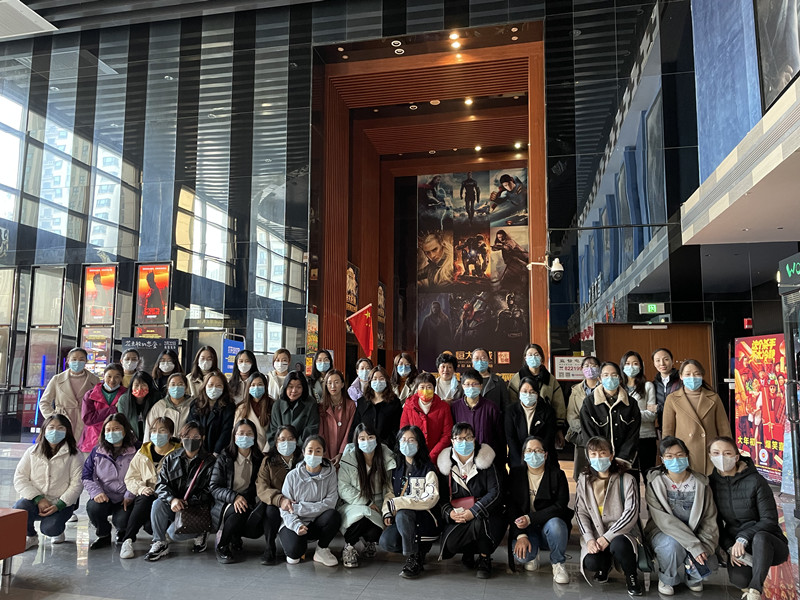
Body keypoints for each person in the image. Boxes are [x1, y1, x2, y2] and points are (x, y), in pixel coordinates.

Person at [709, 437, 789, 600]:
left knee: (760, 538)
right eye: (716, 453)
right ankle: (753, 575)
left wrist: (743, 538)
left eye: (727, 453)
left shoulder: (756, 481)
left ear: (736, 457)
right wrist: (730, 547)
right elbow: (715, 525)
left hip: (768, 541)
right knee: (739, 580)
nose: (721, 457)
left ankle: (755, 591)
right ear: (710, 456)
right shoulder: (711, 484)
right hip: (739, 546)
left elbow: (769, 519)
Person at [644, 436, 719, 596]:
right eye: (669, 456)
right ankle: (667, 577)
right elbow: (664, 521)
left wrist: (705, 545)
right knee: (671, 546)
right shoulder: (655, 483)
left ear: (687, 456)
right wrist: (693, 546)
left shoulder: (701, 483)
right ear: (662, 459)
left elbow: (709, 519)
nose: (675, 460)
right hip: (663, 533)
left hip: (696, 534)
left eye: (680, 455)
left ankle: (693, 576)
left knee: (709, 561)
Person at [575, 436, 643, 596]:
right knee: (592, 561)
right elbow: (580, 512)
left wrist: (607, 537)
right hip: (596, 533)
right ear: (588, 457)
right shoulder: (583, 480)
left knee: (619, 545)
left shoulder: (627, 479)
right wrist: (589, 538)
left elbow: (631, 513)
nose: (598, 458)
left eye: (602, 453)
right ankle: (603, 567)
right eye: (593, 454)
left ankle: (631, 576)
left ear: (611, 455)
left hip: (622, 533)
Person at [437, 422, 504, 579]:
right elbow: (441, 497)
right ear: (452, 441)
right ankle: (468, 551)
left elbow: (495, 492)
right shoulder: (446, 466)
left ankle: (484, 558)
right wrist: (450, 513)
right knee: (451, 543)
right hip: (458, 515)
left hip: (486, 515)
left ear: (474, 440)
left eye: (468, 438)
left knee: (480, 523)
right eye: (459, 438)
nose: (464, 442)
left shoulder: (486, 462)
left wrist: (473, 512)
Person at [145, 421, 217, 561]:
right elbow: (161, 485)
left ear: (202, 439)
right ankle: (159, 542)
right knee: (157, 504)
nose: (191, 440)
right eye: (187, 437)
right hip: (175, 504)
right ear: (181, 438)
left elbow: (211, 490)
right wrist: (171, 499)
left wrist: (188, 502)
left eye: (196, 437)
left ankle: (201, 532)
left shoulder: (210, 462)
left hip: (197, 507)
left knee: (174, 534)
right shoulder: (171, 458)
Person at [508, 436, 572, 584]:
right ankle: (533, 551)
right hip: (525, 528)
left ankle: (558, 563)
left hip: (547, 525)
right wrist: (520, 535)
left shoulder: (557, 475)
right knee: (523, 557)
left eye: (538, 451)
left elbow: (560, 506)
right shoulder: (516, 474)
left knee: (556, 525)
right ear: (524, 454)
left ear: (546, 454)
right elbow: (511, 506)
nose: (533, 454)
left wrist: (531, 518)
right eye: (529, 451)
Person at [379, 425, 440, 578]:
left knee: (403, 514)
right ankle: (418, 550)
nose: (407, 443)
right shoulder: (396, 467)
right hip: (403, 520)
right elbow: (390, 493)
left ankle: (414, 557)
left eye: (411, 440)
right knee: (387, 541)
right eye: (403, 440)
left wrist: (399, 503)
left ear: (419, 444)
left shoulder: (428, 468)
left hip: (424, 517)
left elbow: (431, 497)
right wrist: (387, 511)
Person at [13, 414, 83, 549]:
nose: (55, 431)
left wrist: (59, 505)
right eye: (51, 427)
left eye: (60, 428)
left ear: (67, 431)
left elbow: (77, 483)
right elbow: (20, 478)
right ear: (44, 430)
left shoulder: (74, 454)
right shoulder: (32, 452)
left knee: (51, 529)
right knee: (19, 509)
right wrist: (38, 499)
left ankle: (58, 528)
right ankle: (31, 536)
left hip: (60, 502)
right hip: (35, 501)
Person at [120, 416, 181, 559]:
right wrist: (141, 488)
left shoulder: (179, 453)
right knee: (144, 498)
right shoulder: (143, 452)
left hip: (169, 499)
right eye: (154, 431)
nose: (157, 434)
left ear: (170, 434)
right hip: (147, 497)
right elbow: (130, 477)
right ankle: (128, 540)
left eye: (162, 431)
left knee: (151, 522)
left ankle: (162, 535)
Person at [338, 423, 396, 568]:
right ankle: (349, 546)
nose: (367, 442)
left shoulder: (386, 457)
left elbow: (390, 489)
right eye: (362, 438)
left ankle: (369, 541)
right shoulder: (349, 458)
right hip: (354, 503)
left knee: (378, 531)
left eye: (370, 437)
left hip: (380, 504)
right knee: (361, 516)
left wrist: (387, 511)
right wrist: (367, 502)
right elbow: (343, 488)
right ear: (356, 441)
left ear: (376, 439)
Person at [278, 435, 341, 566]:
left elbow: (330, 503)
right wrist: (296, 525)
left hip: (316, 522)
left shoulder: (330, 474)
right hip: (295, 522)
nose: (313, 455)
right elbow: (285, 509)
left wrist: (298, 508)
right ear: (303, 452)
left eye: (318, 451)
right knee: (294, 556)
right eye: (310, 450)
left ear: (324, 453)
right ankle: (298, 545)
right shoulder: (292, 476)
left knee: (334, 516)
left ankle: (321, 549)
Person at [209, 419, 266, 563]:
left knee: (252, 511)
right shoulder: (224, 458)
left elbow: (259, 484)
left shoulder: (259, 459)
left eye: (249, 433)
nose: (245, 437)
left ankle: (235, 536)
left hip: (248, 500)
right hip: (225, 502)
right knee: (239, 509)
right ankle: (222, 546)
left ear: (255, 436)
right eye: (241, 433)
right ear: (234, 436)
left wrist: (244, 497)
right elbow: (214, 487)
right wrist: (234, 497)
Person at [662, 359, 732, 475]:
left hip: (710, 453)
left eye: (696, 374)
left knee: (711, 483)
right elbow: (668, 431)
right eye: (688, 374)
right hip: (684, 455)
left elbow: (724, 429)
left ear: (702, 376)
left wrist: (727, 452)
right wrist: (669, 456)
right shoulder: (672, 399)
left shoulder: (713, 398)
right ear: (681, 376)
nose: (692, 377)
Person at [82, 413, 138, 549]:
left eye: (116, 429)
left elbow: (141, 476)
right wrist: (96, 492)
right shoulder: (97, 451)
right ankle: (103, 535)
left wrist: (130, 495)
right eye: (108, 430)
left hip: (126, 497)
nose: (112, 433)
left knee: (122, 521)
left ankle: (123, 531)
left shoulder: (136, 450)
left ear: (125, 430)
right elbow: (87, 475)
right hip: (105, 496)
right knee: (93, 508)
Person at [579, 362, 641, 468]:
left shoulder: (631, 403)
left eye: (614, 375)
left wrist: (622, 458)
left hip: (624, 461)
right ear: (600, 379)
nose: (610, 378)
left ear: (620, 378)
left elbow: (633, 434)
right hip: (600, 460)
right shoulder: (589, 403)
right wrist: (600, 456)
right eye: (606, 375)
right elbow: (588, 433)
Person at [255, 424, 302, 565]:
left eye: (290, 439)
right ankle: (269, 547)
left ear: (296, 440)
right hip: (277, 503)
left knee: (295, 549)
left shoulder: (303, 459)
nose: (286, 443)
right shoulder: (268, 461)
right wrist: (280, 499)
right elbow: (262, 487)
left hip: (298, 504)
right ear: (276, 443)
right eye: (282, 439)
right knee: (270, 510)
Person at [508, 344, 566, 447]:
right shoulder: (517, 378)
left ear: (542, 358)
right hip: (522, 424)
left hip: (545, 424)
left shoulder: (550, 379)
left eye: (536, 354)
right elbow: (512, 401)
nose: (533, 357)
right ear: (525, 358)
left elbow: (558, 403)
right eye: (530, 355)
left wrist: (559, 428)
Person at [39, 347, 100, 443]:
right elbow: (44, 402)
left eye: (81, 359)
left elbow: (98, 404)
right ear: (68, 361)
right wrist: (54, 418)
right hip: (62, 420)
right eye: (74, 359)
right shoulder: (57, 379)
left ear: (86, 361)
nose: (77, 362)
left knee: (82, 448)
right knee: (61, 447)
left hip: (85, 421)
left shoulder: (94, 380)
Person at [451, 368, 505, 467]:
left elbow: (500, 437)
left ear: (481, 386)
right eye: (467, 384)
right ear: (462, 386)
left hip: (487, 460)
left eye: (475, 384)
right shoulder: (455, 407)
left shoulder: (491, 408)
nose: (471, 387)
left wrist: (501, 462)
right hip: (462, 460)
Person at [399, 372, 454, 462]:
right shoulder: (409, 405)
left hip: (438, 456)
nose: (425, 390)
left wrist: (432, 455)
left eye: (429, 387)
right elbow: (404, 429)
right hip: (413, 455)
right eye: (422, 387)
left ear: (434, 388)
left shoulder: (444, 407)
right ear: (417, 388)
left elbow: (447, 434)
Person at [621, 351, 658, 477]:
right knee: (630, 476)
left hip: (646, 436)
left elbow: (652, 415)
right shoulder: (619, 387)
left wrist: (629, 415)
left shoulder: (648, 386)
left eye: (635, 363)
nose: (631, 367)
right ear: (622, 366)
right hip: (626, 439)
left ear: (641, 366)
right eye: (627, 363)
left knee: (649, 474)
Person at [506, 376, 557, 467]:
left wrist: (537, 456)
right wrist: (522, 460)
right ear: (519, 392)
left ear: (537, 394)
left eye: (532, 392)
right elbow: (511, 438)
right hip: (518, 459)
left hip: (542, 457)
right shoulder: (511, 411)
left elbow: (548, 438)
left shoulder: (548, 411)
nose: (528, 395)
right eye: (524, 391)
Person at [350, 365, 403, 449]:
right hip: (364, 447)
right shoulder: (362, 402)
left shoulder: (394, 403)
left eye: (381, 379)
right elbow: (355, 426)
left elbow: (397, 429)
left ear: (386, 381)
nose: (378, 381)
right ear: (370, 381)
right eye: (374, 379)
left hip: (387, 448)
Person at [78, 363, 127, 453]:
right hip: (93, 440)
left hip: (119, 440)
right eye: (109, 376)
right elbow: (88, 419)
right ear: (103, 376)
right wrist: (113, 409)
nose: (112, 380)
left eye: (117, 377)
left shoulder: (126, 395)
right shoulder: (90, 394)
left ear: (121, 378)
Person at [566, 356, 601, 481]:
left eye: (593, 365)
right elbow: (571, 415)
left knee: (600, 472)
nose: (590, 368)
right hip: (581, 436)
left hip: (601, 435)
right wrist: (584, 429)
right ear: (581, 369)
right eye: (586, 366)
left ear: (599, 368)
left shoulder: (604, 387)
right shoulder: (576, 390)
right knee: (582, 473)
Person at [188, 371, 236, 455]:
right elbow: (191, 427)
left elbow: (226, 431)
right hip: (196, 450)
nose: (214, 388)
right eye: (210, 385)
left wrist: (216, 452)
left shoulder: (229, 406)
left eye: (218, 386)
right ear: (205, 386)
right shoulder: (196, 404)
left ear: (224, 388)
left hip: (219, 452)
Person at [267, 371, 320, 446]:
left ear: (303, 388)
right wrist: (281, 446)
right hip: (280, 448)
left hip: (303, 448)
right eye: (290, 387)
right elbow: (273, 431)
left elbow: (311, 429)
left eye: (298, 387)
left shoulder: (311, 404)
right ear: (285, 387)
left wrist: (295, 446)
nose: (294, 391)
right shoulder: (277, 405)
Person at [318, 369, 357, 466]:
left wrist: (341, 453)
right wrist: (324, 454)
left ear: (342, 384)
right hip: (325, 453)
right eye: (329, 383)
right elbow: (320, 432)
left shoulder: (350, 405)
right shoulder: (321, 406)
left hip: (344, 453)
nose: (333, 386)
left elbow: (349, 431)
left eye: (336, 382)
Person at [144, 373, 193, 440]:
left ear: (186, 387)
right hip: (164, 445)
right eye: (173, 385)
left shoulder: (192, 405)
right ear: (168, 387)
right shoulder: (159, 406)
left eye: (180, 384)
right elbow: (149, 430)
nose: (176, 388)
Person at [233, 372, 272, 451]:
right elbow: (236, 431)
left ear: (265, 386)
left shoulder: (272, 405)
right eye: (253, 385)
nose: (256, 388)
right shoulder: (242, 407)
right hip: (247, 449)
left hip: (266, 449)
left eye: (260, 384)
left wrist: (266, 451)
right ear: (248, 387)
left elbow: (274, 431)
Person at [117, 371, 160, 441]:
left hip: (152, 438)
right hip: (131, 439)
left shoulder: (156, 398)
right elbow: (122, 421)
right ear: (131, 386)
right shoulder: (124, 400)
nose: (140, 388)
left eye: (143, 385)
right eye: (136, 385)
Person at [470, 347, 509, 412]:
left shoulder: (498, 381)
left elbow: (506, 405)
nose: (480, 361)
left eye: (483, 358)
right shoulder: (467, 382)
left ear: (488, 361)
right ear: (472, 362)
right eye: (476, 358)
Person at [652, 348, 681, 430]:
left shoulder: (682, 381)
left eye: (666, 359)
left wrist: (658, 408)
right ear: (654, 363)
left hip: (682, 426)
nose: (662, 363)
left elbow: (682, 405)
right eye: (658, 360)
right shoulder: (654, 385)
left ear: (672, 361)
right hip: (664, 427)